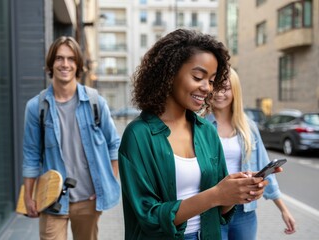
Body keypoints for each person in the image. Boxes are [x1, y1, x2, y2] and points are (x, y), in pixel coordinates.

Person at [118, 29, 280, 240]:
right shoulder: (138, 135)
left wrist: (237, 192)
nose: (207, 88)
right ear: (170, 73)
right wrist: (216, 195)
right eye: (198, 77)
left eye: (212, 80)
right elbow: (149, 217)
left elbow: (220, 210)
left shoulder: (206, 132)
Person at [22, 36, 121, 240]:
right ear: (51, 63)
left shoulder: (95, 102)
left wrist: (106, 183)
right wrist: (28, 196)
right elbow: (31, 154)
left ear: (78, 64)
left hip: (88, 198)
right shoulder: (36, 107)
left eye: (70, 59)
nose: (65, 64)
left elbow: (114, 145)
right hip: (51, 199)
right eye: (59, 58)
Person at [202, 68, 296, 240]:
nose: (220, 93)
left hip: (245, 211)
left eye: (226, 88)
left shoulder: (249, 126)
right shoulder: (199, 125)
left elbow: (264, 168)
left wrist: (283, 210)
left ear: (235, 91)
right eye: (215, 87)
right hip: (212, 209)